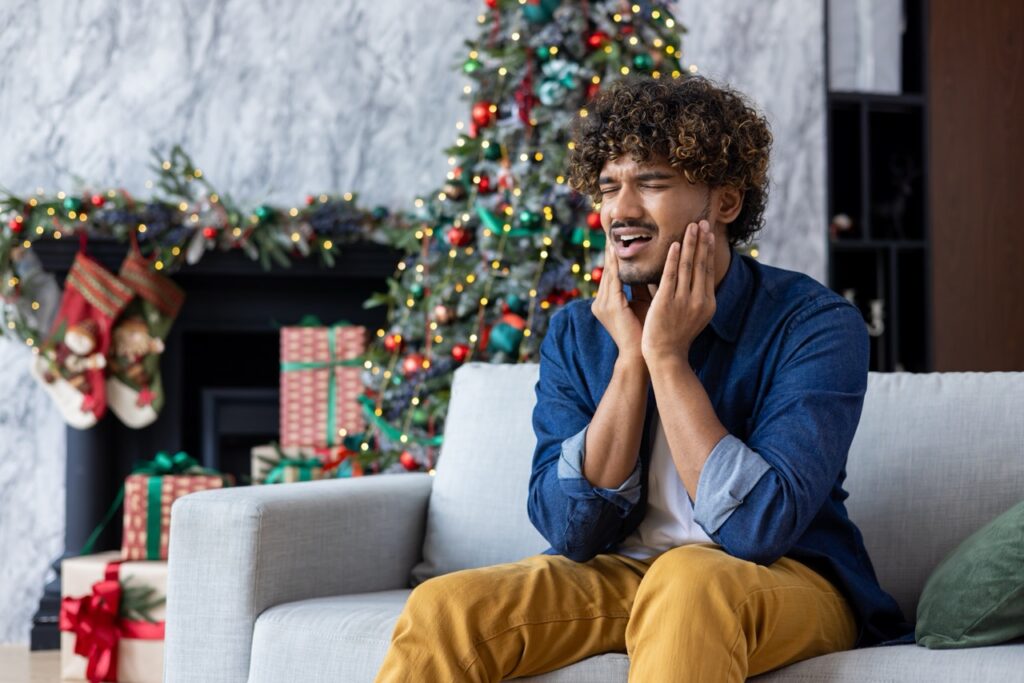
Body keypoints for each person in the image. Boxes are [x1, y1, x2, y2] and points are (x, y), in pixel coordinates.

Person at [375, 76, 911, 683]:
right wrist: (630, 361)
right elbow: (570, 530)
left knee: (688, 582)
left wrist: (668, 358)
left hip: (790, 580)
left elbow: (760, 527)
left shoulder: (813, 324)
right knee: (444, 607)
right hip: (628, 573)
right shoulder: (580, 332)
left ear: (726, 202)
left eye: (652, 183)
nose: (620, 212)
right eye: (609, 188)